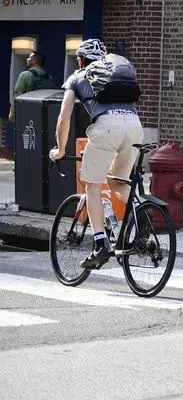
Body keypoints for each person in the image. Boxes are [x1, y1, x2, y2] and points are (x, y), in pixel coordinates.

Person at [47, 39, 144, 269]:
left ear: (80, 60)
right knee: (117, 182)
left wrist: (60, 150)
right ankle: (143, 213)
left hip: (106, 127)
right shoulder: (114, 74)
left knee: (91, 184)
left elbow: (63, 119)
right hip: (135, 127)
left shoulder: (78, 76)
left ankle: (100, 244)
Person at [10, 51, 53, 121]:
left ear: (34, 60)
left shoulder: (25, 74)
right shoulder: (49, 77)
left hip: (28, 114)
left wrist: (12, 113)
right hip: (44, 116)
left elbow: (17, 95)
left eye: (29, 58)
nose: (27, 59)